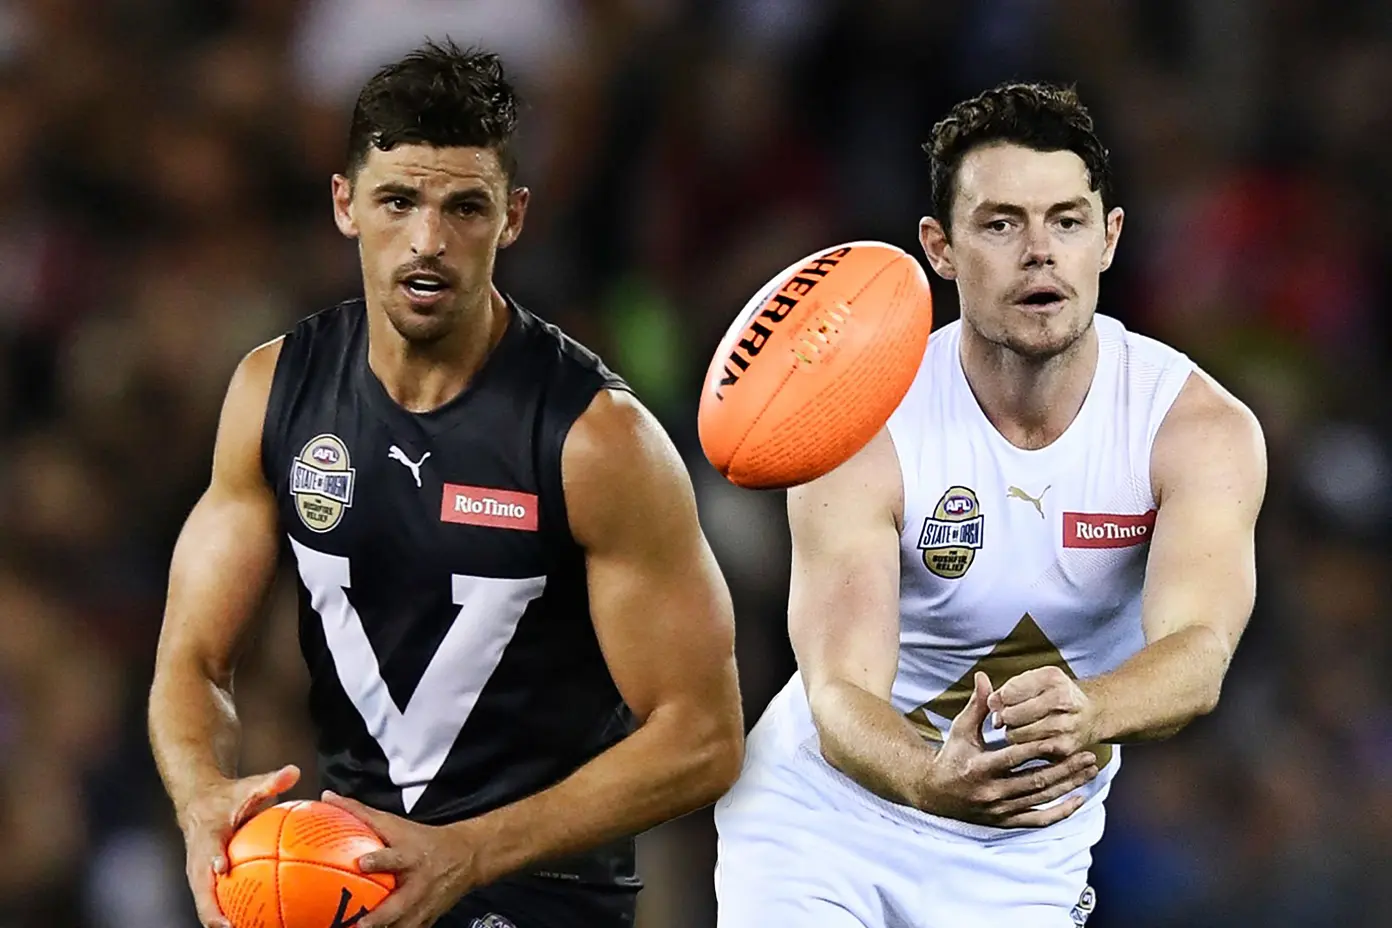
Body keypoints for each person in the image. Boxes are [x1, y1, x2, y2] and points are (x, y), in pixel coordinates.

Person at [148, 41, 744, 928]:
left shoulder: (596, 440)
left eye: (465, 207)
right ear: (345, 204)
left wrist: (471, 853)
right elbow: (194, 660)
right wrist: (200, 793)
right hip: (354, 879)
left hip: (540, 898)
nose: (429, 242)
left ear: (513, 217)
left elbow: (703, 738)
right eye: (399, 201)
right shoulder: (274, 394)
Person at [714, 82, 1266, 927]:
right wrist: (929, 778)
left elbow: (1198, 652)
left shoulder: (1195, 430)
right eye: (1002, 224)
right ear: (940, 248)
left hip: (1024, 851)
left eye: (1067, 221)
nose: (1040, 252)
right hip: (822, 823)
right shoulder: (861, 425)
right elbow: (840, 691)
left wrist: (1093, 709)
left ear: (1110, 238)